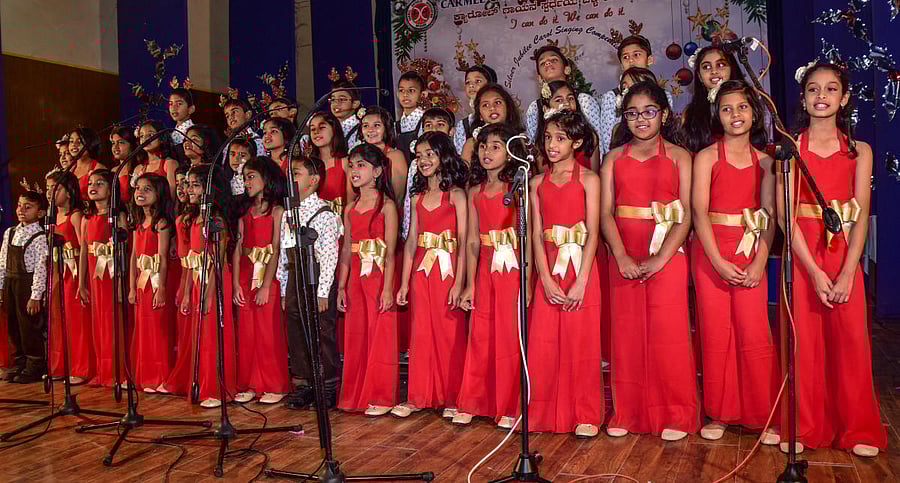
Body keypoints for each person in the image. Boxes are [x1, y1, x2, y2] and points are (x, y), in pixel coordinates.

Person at [777, 60, 887, 457]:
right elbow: (786, 218)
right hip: (806, 252)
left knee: (850, 343)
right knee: (804, 343)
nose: (821, 96)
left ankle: (857, 429)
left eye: (830, 89)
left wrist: (846, 273)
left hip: (843, 252)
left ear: (844, 98)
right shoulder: (791, 147)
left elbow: (859, 216)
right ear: (803, 98)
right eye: (813, 89)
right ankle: (806, 426)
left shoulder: (860, 151)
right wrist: (814, 273)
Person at [600, 80, 698, 441]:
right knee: (626, 334)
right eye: (633, 113)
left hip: (667, 250)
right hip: (624, 252)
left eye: (649, 112)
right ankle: (628, 411)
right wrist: (621, 255)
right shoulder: (613, 158)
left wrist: (661, 259)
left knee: (668, 333)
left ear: (664, 114)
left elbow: (686, 213)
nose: (641, 119)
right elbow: (606, 213)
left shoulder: (679, 156)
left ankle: (676, 411)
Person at [691, 80, 780, 444]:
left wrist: (760, 263)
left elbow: (770, 215)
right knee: (716, 333)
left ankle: (762, 413)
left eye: (742, 107)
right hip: (711, 252)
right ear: (718, 115)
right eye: (727, 109)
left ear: (754, 112)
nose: (735, 115)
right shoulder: (707, 157)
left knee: (754, 332)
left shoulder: (768, 161)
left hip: (749, 249)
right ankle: (720, 412)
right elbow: (698, 210)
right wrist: (715, 259)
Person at [528, 110, 605, 437]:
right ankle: (542, 412)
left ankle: (585, 413)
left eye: (560, 138)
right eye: (547, 138)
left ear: (576, 142)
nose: (552, 144)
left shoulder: (589, 179)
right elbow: (534, 233)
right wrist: (544, 278)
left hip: (580, 269)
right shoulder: (535, 183)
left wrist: (583, 279)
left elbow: (593, 230)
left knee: (581, 342)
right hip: (548, 268)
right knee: (543, 343)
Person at [454, 123, 532, 428]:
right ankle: (474, 401)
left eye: (495, 146)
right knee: (481, 334)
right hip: (486, 267)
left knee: (509, 336)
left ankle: (509, 405)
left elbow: (527, 237)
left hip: (512, 267)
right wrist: (470, 284)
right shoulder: (474, 192)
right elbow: (473, 241)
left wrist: (527, 281)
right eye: (483, 147)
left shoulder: (520, 189)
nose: (487, 152)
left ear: (510, 151)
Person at [393, 132, 469, 418]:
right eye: (419, 155)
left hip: (448, 271)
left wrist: (460, 283)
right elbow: (412, 241)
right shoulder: (417, 197)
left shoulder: (457, 194)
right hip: (422, 272)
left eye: (430, 154)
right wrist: (403, 283)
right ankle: (419, 396)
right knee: (421, 333)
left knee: (449, 334)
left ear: (443, 156)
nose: (423, 160)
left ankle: (452, 396)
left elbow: (464, 241)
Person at [336, 143, 399, 416]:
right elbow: (346, 251)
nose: (354, 170)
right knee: (357, 334)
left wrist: (387, 289)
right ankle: (355, 394)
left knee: (380, 334)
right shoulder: (349, 208)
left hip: (378, 275)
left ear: (376, 171)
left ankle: (382, 396)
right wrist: (341, 286)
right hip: (355, 281)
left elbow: (392, 252)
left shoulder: (387, 206)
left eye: (361, 165)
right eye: (351, 165)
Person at [278, 155, 341, 409]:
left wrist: (324, 291)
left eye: (297, 173)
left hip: (316, 276)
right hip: (296, 275)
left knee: (321, 331)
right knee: (296, 328)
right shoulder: (287, 213)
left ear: (313, 180)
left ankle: (327, 385)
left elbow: (329, 254)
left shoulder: (324, 213)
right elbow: (284, 254)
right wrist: (284, 288)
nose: (291, 178)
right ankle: (304, 384)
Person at [232, 157, 291, 404]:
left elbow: (276, 249)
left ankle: (274, 384)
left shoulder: (278, 211)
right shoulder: (244, 211)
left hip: (268, 275)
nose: (247, 182)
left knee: (268, 331)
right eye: (245, 177)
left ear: (267, 179)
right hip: (245, 274)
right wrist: (236, 283)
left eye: (252, 176)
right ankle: (250, 383)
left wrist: (267, 285)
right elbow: (237, 246)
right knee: (246, 332)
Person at [182, 163, 239, 408]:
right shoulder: (193, 218)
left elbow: (217, 259)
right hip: (197, 279)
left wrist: (208, 294)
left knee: (213, 332)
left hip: (213, 280)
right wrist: (186, 293)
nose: (190, 189)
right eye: (189, 184)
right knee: (200, 334)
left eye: (196, 184)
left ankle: (216, 387)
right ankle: (201, 382)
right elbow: (189, 260)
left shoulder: (216, 220)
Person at [78, 169, 127, 387]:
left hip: (112, 276)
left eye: (100, 183)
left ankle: (116, 371)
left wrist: (120, 284)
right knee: (98, 323)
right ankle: (101, 369)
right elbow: (82, 251)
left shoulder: (118, 216)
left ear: (111, 189)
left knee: (113, 323)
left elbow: (124, 252)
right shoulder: (87, 219)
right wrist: (81, 283)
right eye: (91, 183)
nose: (93, 186)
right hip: (94, 279)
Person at [45, 171, 94, 385]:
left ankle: (81, 368)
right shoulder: (52, 216)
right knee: (58, 320)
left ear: (69, 190)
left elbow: (83, 247)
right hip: (58, 271)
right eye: (48, 188)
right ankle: (60, 365)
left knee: (77, 322)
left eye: (55, 188)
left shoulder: (75, 215)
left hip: (73, 271)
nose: (50, 193)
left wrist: (82, 281)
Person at [128, 173, 175, 392]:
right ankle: (147, 375)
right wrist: (131, 286)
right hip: (141, 283)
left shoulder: (161, 223)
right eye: (138, 188)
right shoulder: (139, 223)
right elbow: (133, 257)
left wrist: (162, 287)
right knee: (144, 328)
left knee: (158, 329)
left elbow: (162, 257)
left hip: (156, 281)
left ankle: (162, 376)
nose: (140, 192)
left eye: (147, 189)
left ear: (159, 194)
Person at [0, 187, 48, 383]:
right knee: (13, 325)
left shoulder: (39, 237)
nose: (21, 209)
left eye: (28, 207)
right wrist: (1, 287)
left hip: (26, 285)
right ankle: (19, 362)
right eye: (20, 205)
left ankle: (35, 364)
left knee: (28, 326)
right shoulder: (10, 232)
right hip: (11, 282)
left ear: (40, 213)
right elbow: (3, 262)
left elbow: (41, 268)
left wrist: (35, 295)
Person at [598, 36, 675, 155]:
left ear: (649, 60)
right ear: (621, 65)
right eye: (625, 57)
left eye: (636, 55)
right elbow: (609, 142)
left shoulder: (664, 95)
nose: (631, 61)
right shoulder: (612, 97)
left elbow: (667, 131)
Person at [157, 165, 195, 394]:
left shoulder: (193, 218)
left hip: (192, 274)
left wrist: (186, 288)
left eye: (188, 183)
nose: (182, 188)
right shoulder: (180, 216)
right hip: (181, 273)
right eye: (179, 183)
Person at [524, 45, 602, 146]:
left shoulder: (583, 100)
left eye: (554, 59)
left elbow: (597, 143)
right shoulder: (535, 108)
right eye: (542, 63)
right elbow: (533, 146)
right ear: (539, 78)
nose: (548, 63)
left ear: (567, 69)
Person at [678, 45, 747, 154]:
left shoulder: (747, 104)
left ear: (731, 69)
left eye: (720, 65)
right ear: (700, 76)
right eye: (706, 67)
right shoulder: (690, 113)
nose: (714, 71)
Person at [534, 81, 601, 173]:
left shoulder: (590, 136)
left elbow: (595, 173)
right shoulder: (543, 141)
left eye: (570, 98)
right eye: (559, 100)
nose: (566, 103)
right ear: (546, 108)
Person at [460, 84, 524, 165]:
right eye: (485, 105)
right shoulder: (471, 144)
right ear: (480, 115)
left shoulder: (521, 141)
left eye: (497, 102)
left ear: (508, 108)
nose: (492, 108)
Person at [308, 112, 352, 219]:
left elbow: (351, 202)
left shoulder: (345, 162)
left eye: (322, 127)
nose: (316, 132)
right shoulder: (308, 165)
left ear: (334, 130)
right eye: (312, 129)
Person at [454, 65, 497, 155]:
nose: (472, 85)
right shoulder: (463, 125)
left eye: (478, 81)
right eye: (468, 82)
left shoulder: (499, 115)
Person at [132, 120, 179, 200]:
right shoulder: (138, 169)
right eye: (141, 136)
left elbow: (172, 197)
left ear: (161, 138)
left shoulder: (170, 164)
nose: (145, 139)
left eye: (150, 135)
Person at [394, 71, 427, 162]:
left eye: (411, 90)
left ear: (423, 95)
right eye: (401, 90)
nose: (405, 95)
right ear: (397, 94)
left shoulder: (426, 121)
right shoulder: (395, 126)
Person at [68, 127, 105, 200]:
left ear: (91, 144)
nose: (74, 144)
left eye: (79, 141)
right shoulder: (69, 169)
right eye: (71, 141)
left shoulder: (99, 169)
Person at [109, 125, 139, 204]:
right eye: (113, 143)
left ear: (132, 145)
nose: (115, 147)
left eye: (121, 142)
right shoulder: (113, 171)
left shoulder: (138, 169)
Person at [329, 80, 362, 149]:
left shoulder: (361, 128)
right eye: (333, 99)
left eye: (341, 99)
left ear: (355, 104)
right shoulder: (330, 126)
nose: (336, 103)